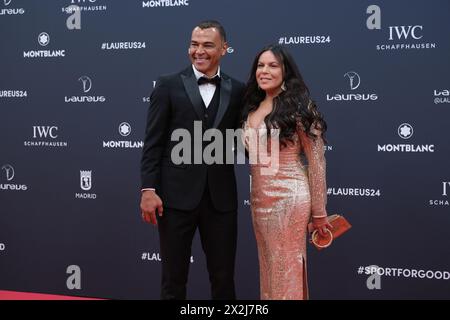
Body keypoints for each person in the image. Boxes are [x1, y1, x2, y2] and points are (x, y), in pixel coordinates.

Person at [140, 20, 245, 300]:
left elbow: (251, 135)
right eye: (194, 44)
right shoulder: (167, 85)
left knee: (223, 279)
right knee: (173, 279)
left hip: (221, 201)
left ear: (224, 49)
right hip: (174, 199)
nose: (198, 51)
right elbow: (153, 143)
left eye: (207, 45)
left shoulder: (238, 90)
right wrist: (148, 189)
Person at [241, 44, 331, 300]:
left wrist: (320, 212)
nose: (264, 71)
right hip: (259, 200)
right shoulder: (251, 107)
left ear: (285, 71)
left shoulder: (300, 107)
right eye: (260, 65)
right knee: (269, 268)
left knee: (286, 268)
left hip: (289, 198)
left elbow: (316, 162)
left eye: (272, 65)